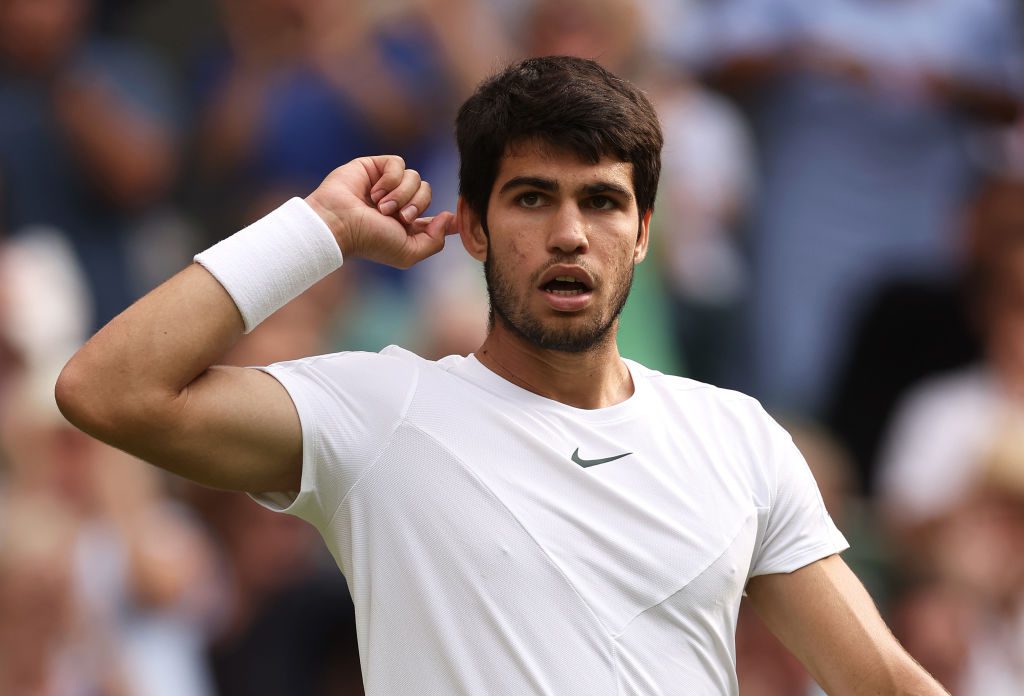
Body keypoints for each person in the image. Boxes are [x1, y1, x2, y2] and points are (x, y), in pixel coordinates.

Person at [57, 56, 947, 695]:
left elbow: (880, 681)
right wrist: (318, 232)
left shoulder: (737, 436)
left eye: (602, 200)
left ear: (643, 234)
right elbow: (106, 389)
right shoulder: (378, 415)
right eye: (532, 198)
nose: (569, 233)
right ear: (473, 229)